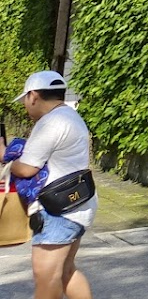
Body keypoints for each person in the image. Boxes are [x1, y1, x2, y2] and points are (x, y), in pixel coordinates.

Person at [8, 70, 95, 299]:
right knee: (66, 272)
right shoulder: (70, 115)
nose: (25, 106)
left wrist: (4, 156)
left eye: (25, 100)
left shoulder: (51, 122)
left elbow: (27, 168)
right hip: (77, 204)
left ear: (33, 96)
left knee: (46, 277)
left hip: (58, 211)